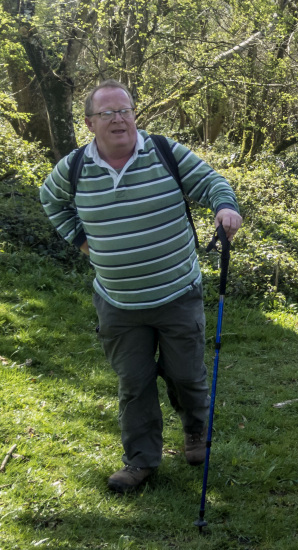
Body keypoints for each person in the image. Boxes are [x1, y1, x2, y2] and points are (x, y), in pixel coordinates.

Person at [39, 80, 243, 493]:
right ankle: (140, 461)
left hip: (177, 293)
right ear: (89, 122)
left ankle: (194, 434)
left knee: (186, 375)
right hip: (117, 301)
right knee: (134, 383)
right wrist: (81, 240)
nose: (119, 119)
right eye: (108, 113)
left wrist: (225, 207)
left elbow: (212, 182)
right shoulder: (75, 167)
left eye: (125, 110)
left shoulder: (164, 152)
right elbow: (50, 200)